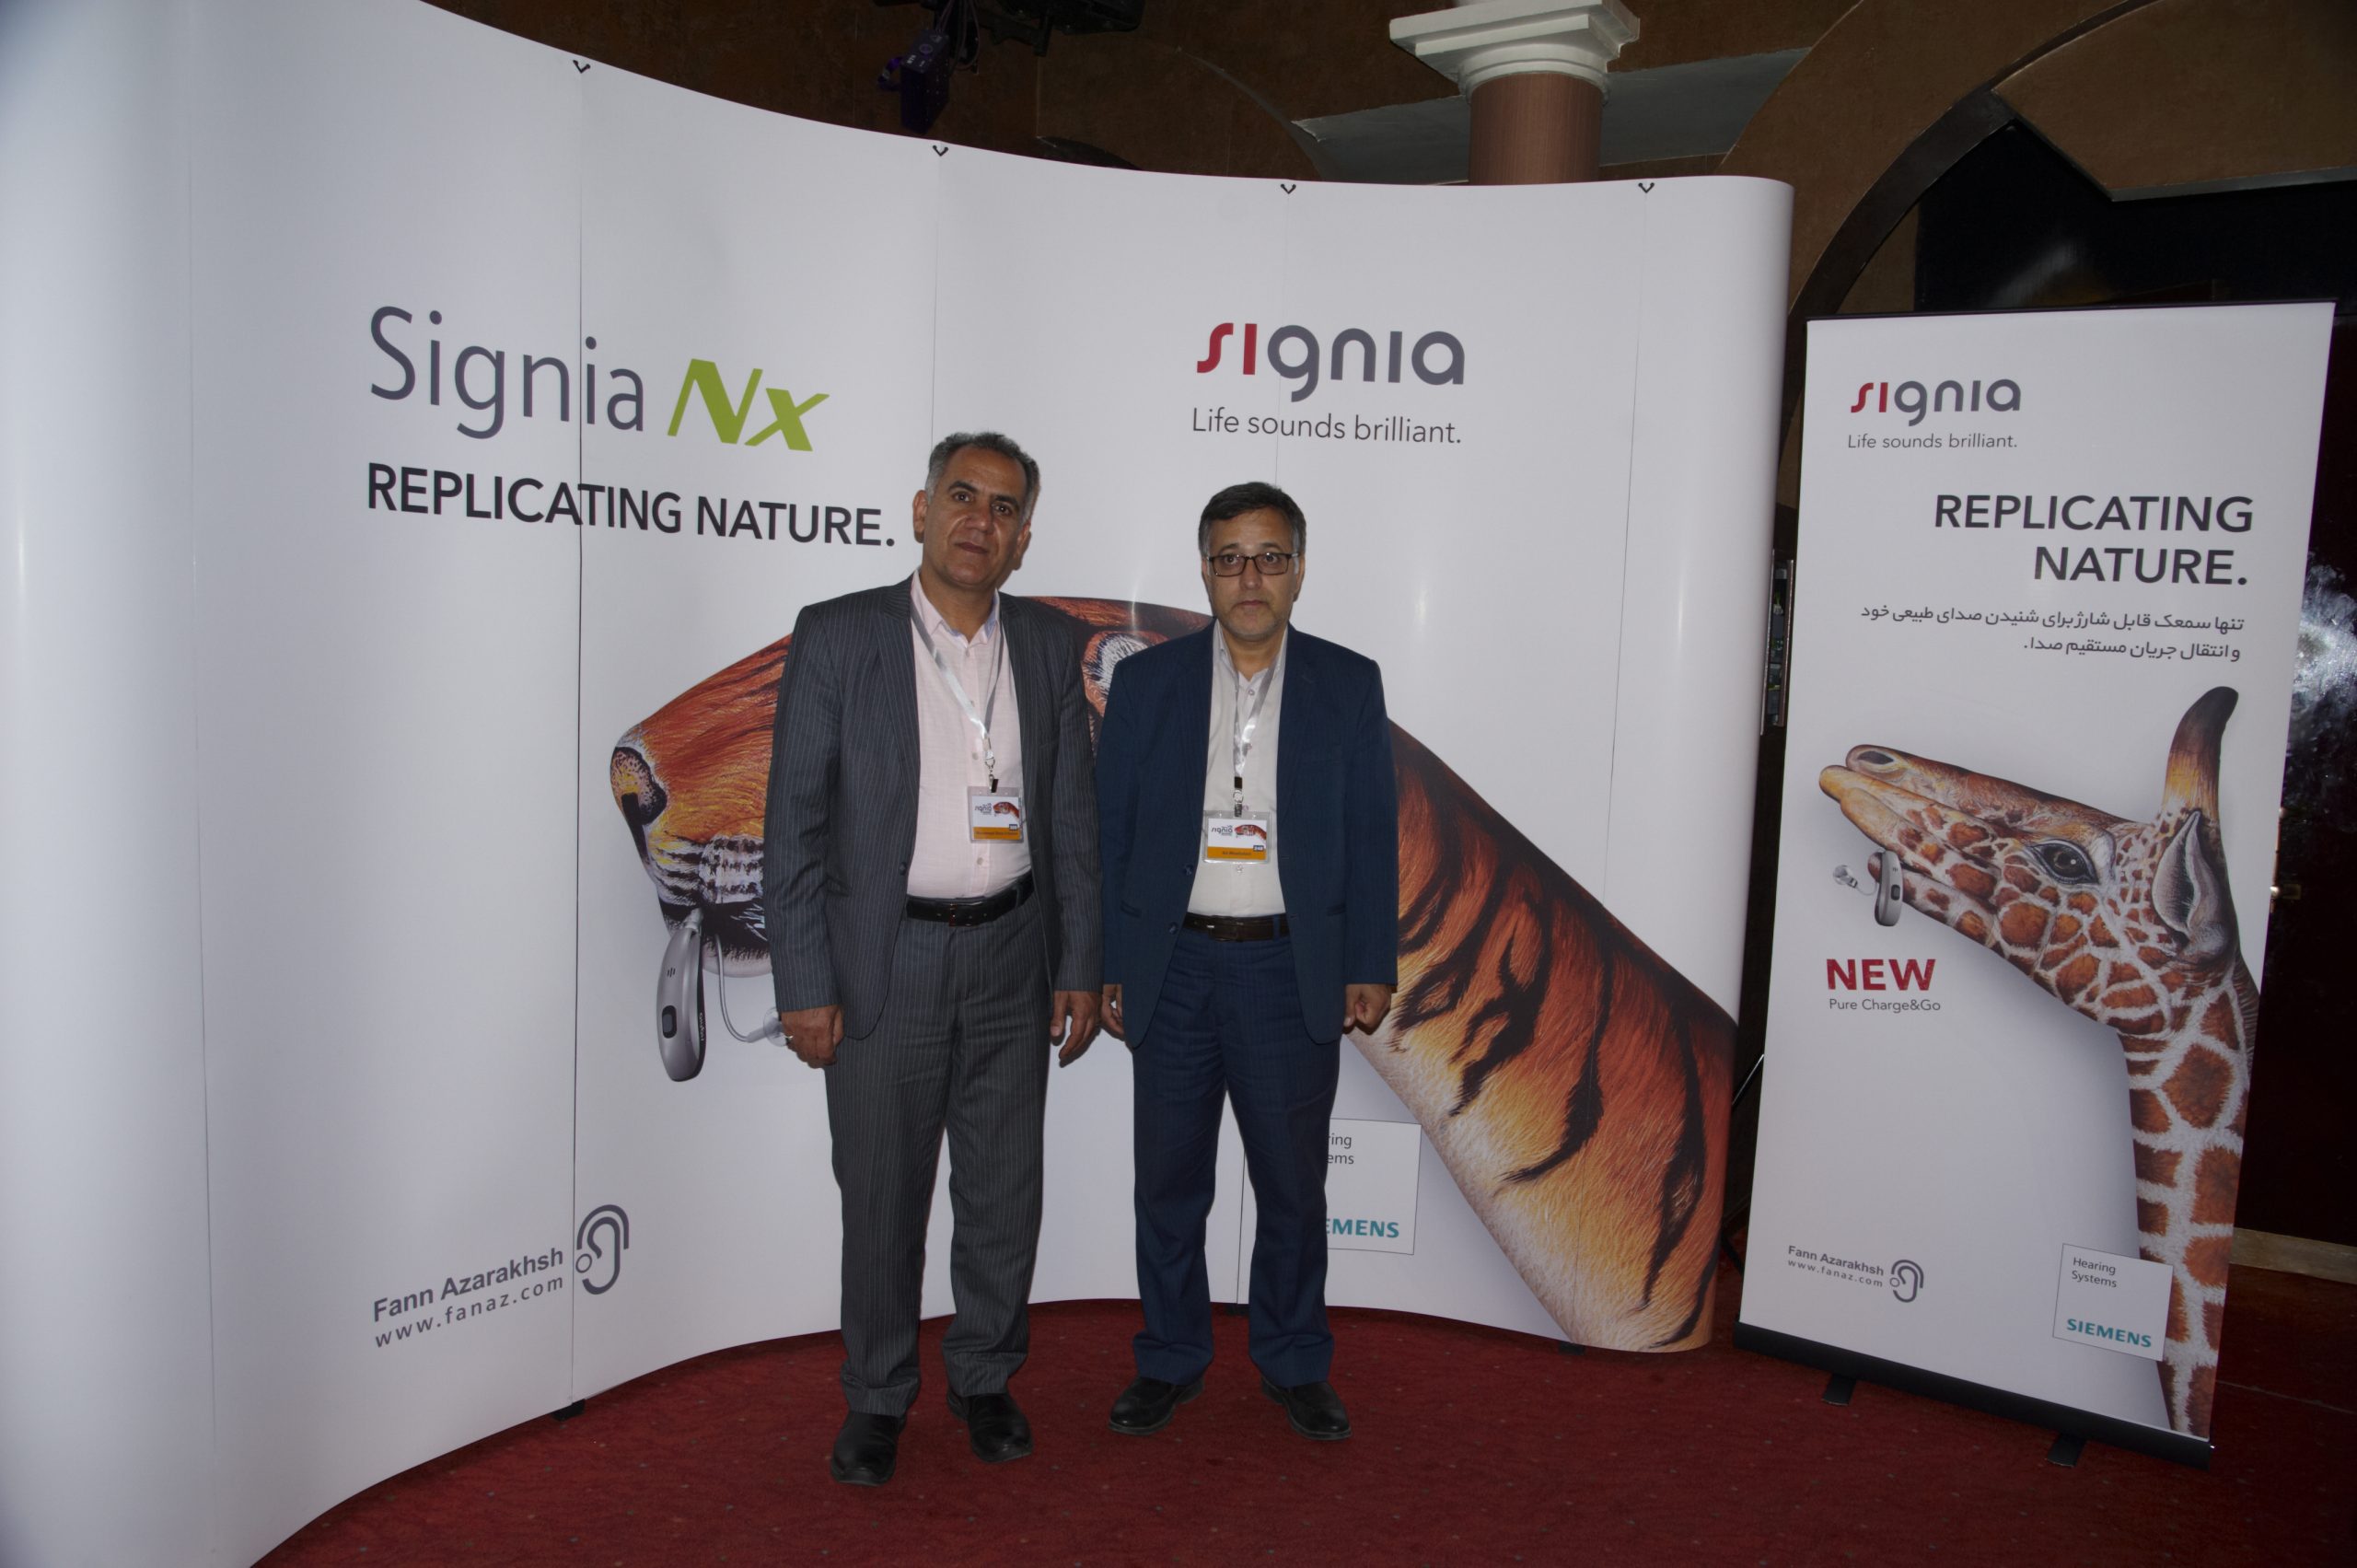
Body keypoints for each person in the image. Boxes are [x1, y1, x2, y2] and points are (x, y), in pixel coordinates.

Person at [761, 431, 1102, 1487]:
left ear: (1023, 537)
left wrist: (1077, 962)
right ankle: (876, 1394)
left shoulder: (1047, 642)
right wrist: (804, 981)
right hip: (887, 958)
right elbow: (793, 823)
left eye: (1002, 507)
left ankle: (985, 1374)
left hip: (1012, 952)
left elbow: (1070, 816)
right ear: (921, 509)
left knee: (1004, 1186)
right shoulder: (839, 634)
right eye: (961, 496)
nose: (978, 520)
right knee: (881, 1192)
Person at [1094, 480, 1399, 1442]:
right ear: (1205, 571)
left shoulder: (1347, 683)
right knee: (1167, 1185)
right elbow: (1111, 829)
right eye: (1230, 558)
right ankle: (1170, 1355)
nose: (1250, 577)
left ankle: (1294, 1358)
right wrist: (1109, 958)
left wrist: (1369, 958)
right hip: (1173, 964)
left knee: (1292, 1188)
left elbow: (1371, 832)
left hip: (1287, 968)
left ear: (1298, 570)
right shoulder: (1149, 683)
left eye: (1270, 556)